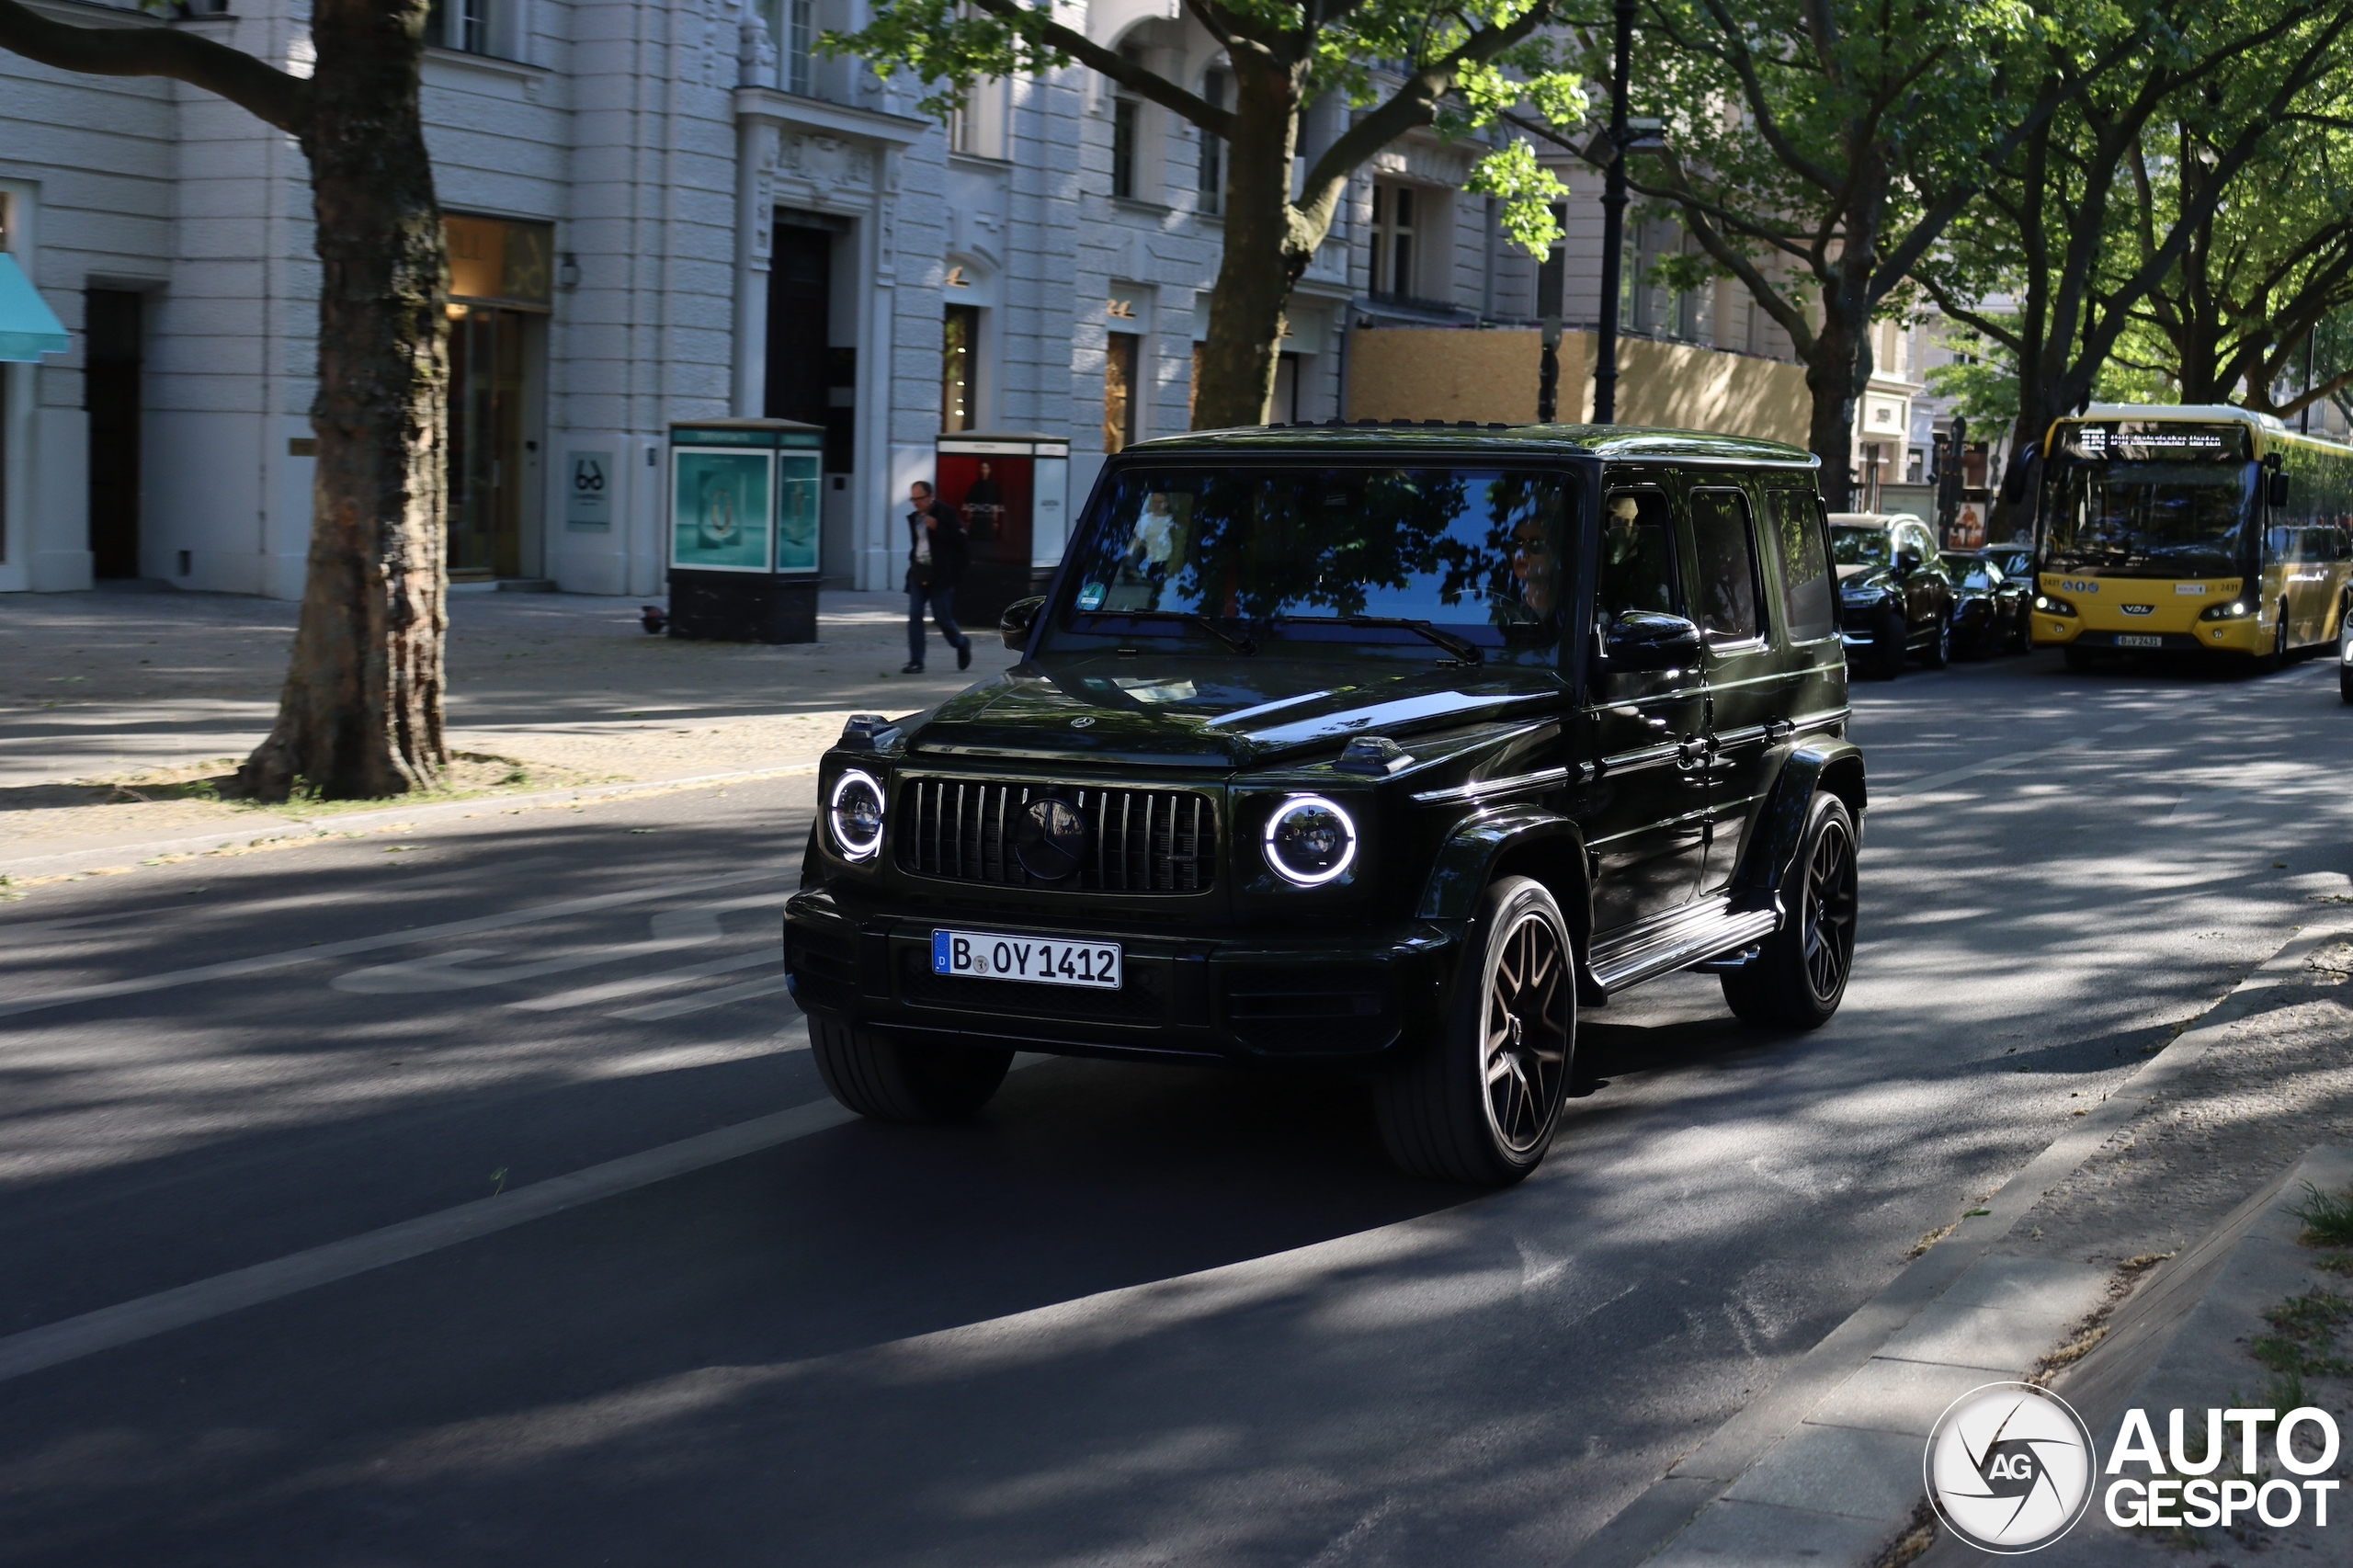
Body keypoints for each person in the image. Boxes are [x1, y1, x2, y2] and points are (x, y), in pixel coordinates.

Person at [904, 480, 972, 674]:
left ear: (930, 496)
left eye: (919, 498)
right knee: (914, 616)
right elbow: (919, 546)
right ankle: (916, 661)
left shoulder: (946, 513)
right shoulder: (914, 518)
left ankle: (961, 643)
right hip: (919, 572)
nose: (916, 503)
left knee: (942, 618)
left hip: (941, 576)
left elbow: (960, 540)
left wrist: (939, 528)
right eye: (913, 499)